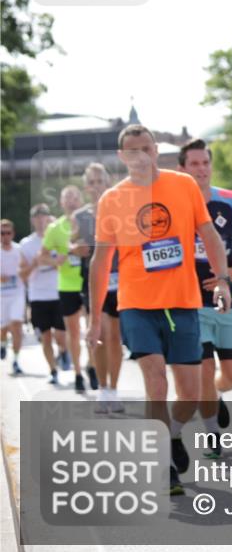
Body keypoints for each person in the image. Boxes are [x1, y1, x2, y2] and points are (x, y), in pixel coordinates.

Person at [88, 124, 232, 495]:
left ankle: (173, 434)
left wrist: (223, 281)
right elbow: (101, 263)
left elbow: (209, 235)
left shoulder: (183, 186)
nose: (142, 156)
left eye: (147, 148)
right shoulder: (112, 199)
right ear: (123, 157)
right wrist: (94, 320)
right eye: (133, 151)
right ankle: (166, 466)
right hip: (136, 303)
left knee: (189, 393)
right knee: (156, 381)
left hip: (183, 300)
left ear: (156, 149)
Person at [177, 138, 232, 451]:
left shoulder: (230, 201)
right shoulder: (172, 203)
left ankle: (217, 395)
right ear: (182, 168)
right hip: (189, 302)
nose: (201, 169)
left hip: (227, 300)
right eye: (194, 164)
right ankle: (211, 434)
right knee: (205, 370)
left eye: (205, 163)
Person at [76, 163, 124, 411]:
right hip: (93, 282)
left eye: (100, 181)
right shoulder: (80, 217)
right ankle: (102, 388)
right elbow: (69, 247)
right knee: (98, 334)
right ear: (86, 187)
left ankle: (113, 390)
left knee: (114, 337)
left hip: (120, 279)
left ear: (108, 183)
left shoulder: (120, 211)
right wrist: (76, 250)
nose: (96, 187)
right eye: (92, 182)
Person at [41, 185, 91, 392]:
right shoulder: (55, 228)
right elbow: (43, 255)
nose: (71, 201)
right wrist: (56, 260)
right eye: (67, 198)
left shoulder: (91, 222)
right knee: (74, 331)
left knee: (94, 328)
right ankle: (78, 372)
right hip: (67, 285)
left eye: (75, 197)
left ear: (81, 200)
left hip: (89, 282)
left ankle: (93, 366)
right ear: (61, 202)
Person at [18, 204, 67, 384]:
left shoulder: (59, 238)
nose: (41, 220)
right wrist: (35, 263)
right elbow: (22, 275)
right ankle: (53, 370)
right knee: (45, 337)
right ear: (32, 220)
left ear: (49, 218)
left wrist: (53, 260)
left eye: (44, 216)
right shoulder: (26, 244)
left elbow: (68, 261)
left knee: (61, 336)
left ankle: (64, 352)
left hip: (59, 293)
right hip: (38, 296)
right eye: (37, 217)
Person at [1, 219, 26, 374]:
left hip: (17, 293)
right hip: (1, 296)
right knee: (3, 330)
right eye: (2, 233)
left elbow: (26, 268)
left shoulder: (19, 250)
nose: (5, 236)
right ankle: (2, 344)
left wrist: (19, 273)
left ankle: (16, 360)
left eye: (8, 233)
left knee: (16, 327)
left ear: (13, 234)